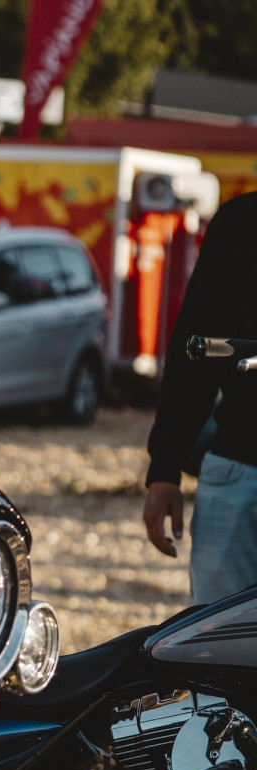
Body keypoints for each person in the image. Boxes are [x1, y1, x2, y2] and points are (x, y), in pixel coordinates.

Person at [143, 191, 257, 604]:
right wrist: (164, 468)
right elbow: (197, 352)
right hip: (239, 472)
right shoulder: (241, 222)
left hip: (236, 480)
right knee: (217, 659)